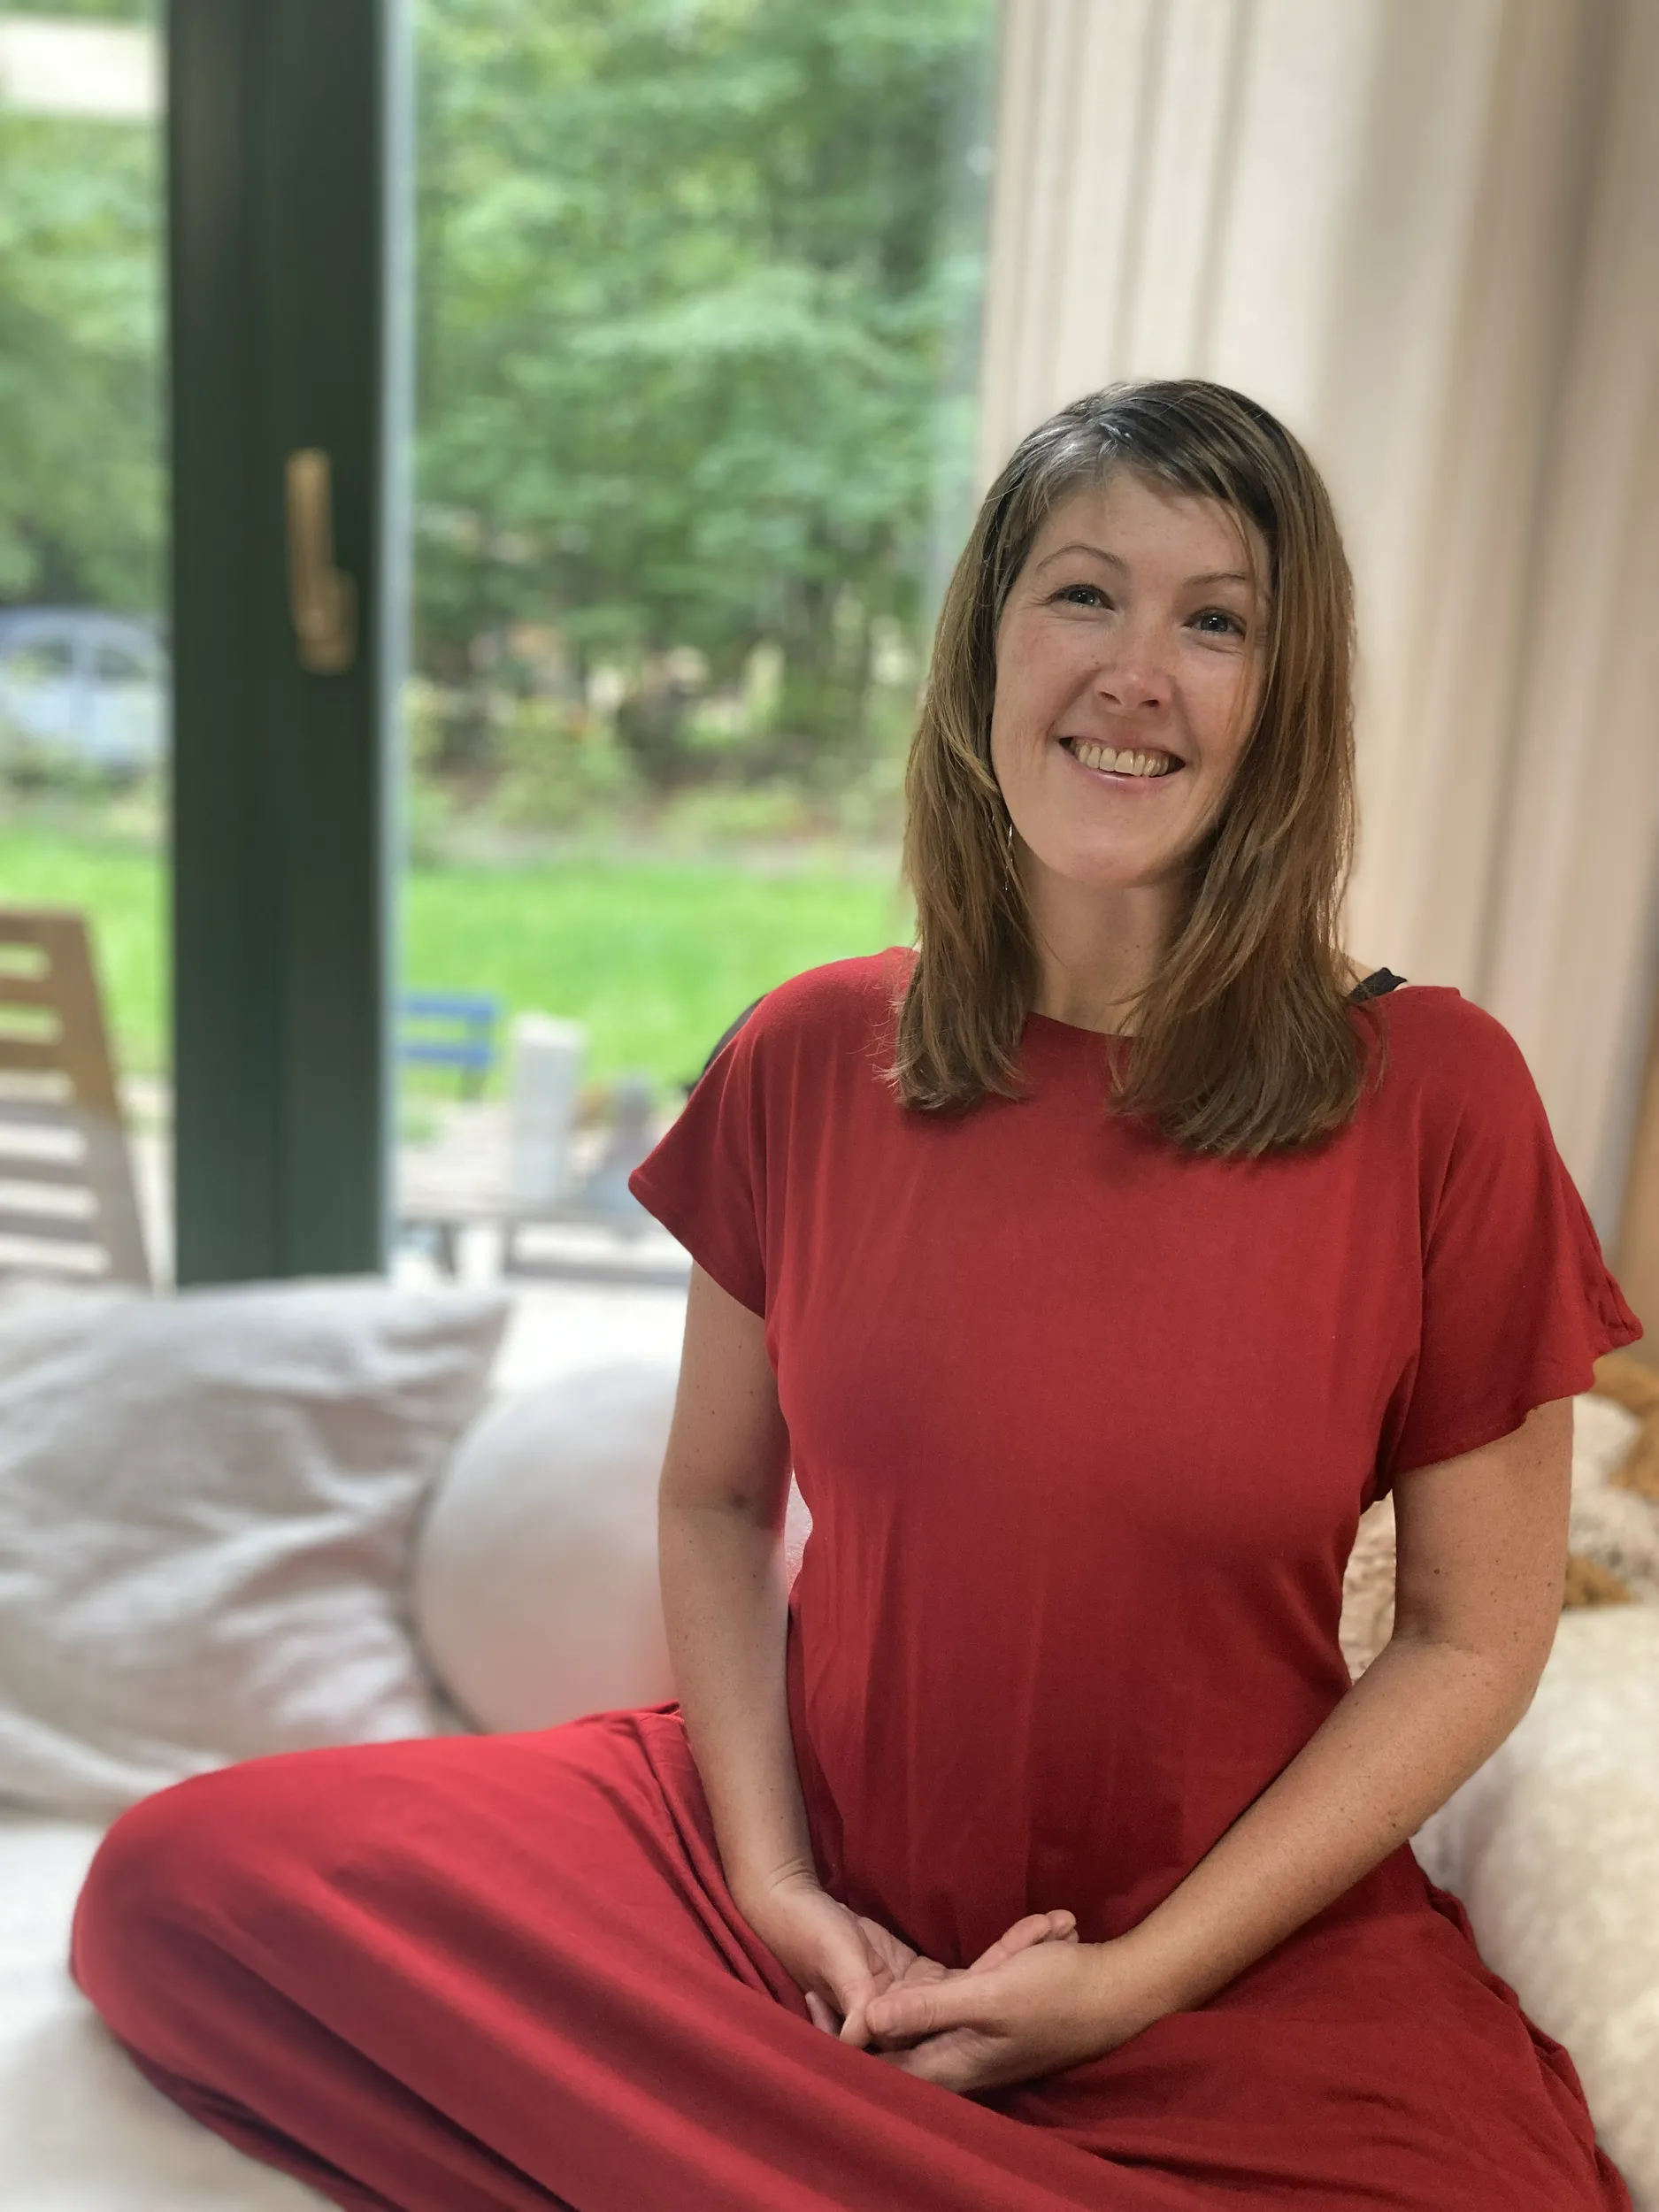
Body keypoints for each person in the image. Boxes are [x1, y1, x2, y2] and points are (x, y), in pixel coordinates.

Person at [69, 380, 1642, 2211]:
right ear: (983, 651)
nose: (1137, 673)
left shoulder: (1438, 1096)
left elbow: (1469, 1636)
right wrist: (773, 1885)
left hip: (1217, 1949)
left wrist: (1133, 1980)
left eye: (1215, 620)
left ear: (1281, 700)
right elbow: (713, 1500)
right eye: (1082, 594)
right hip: (800, 1891)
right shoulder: (812, 1052)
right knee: (180, 1888)